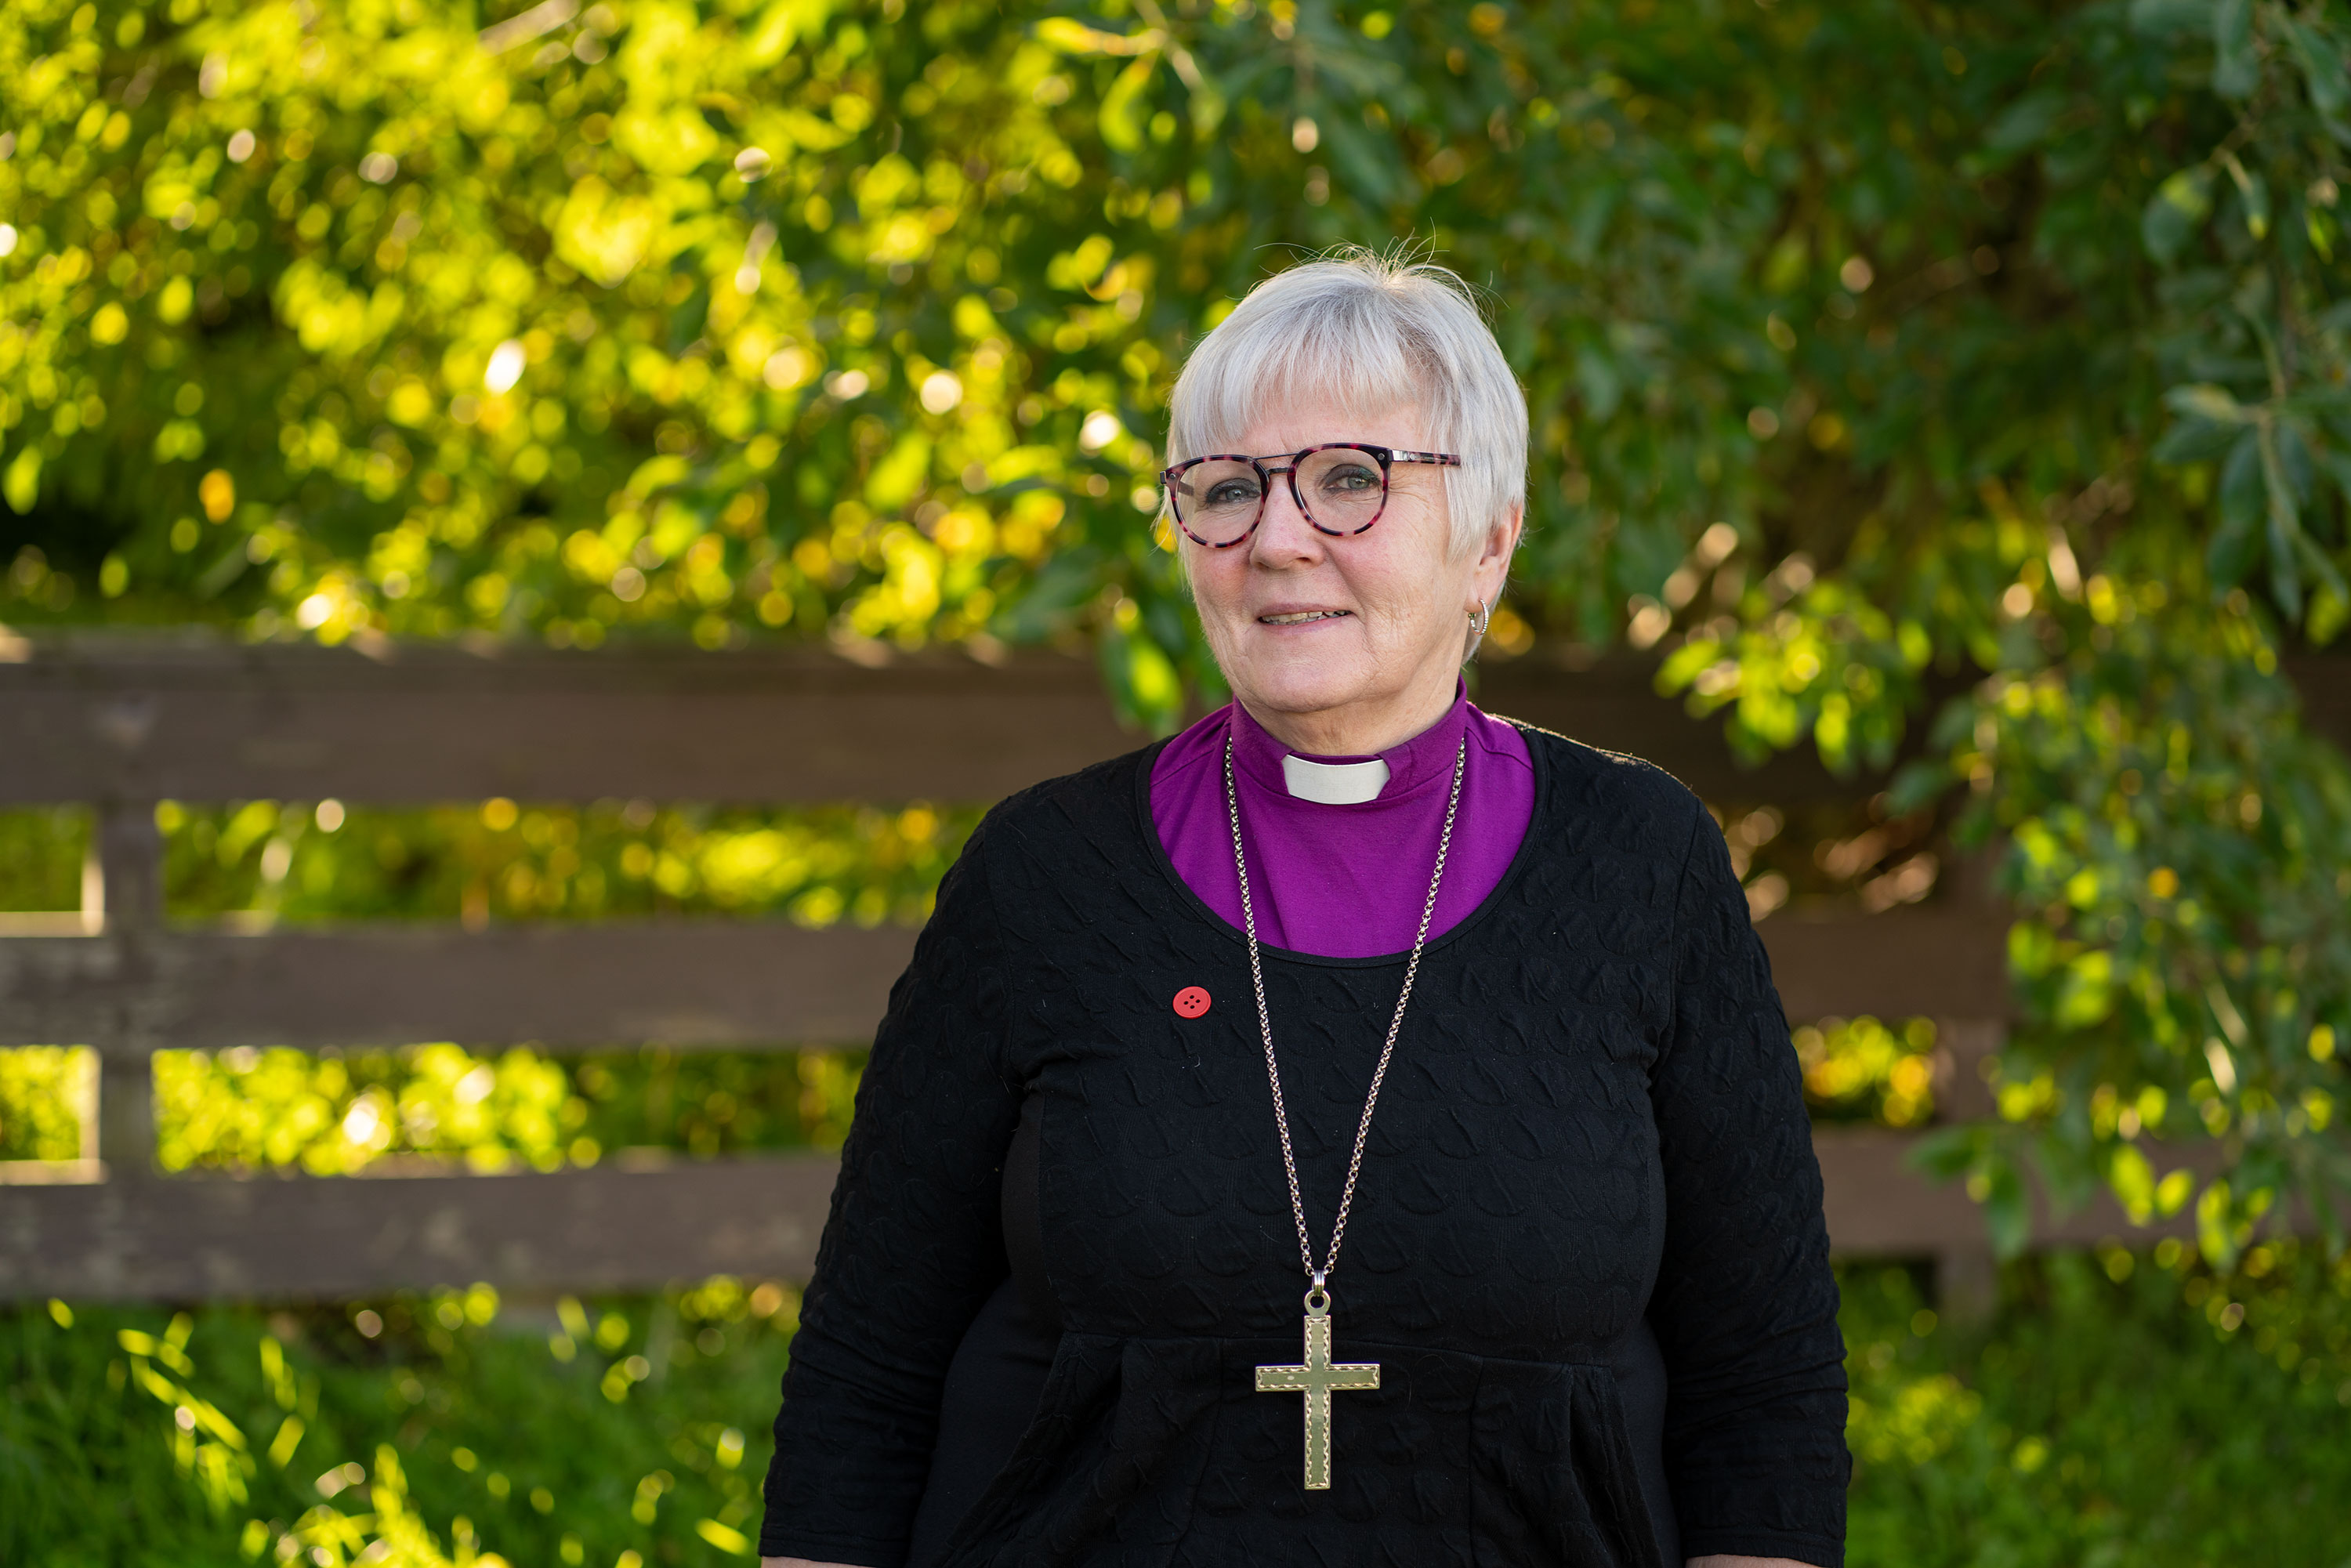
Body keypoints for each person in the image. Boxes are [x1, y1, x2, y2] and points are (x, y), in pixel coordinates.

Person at [759, 251, 1849, 1568]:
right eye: (1226, 489)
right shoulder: (1043, 876)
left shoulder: (1642, 865)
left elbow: (1766, 1392)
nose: (1277, 538)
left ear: (1489, 535)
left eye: (1351, 478)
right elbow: (866, 1373)